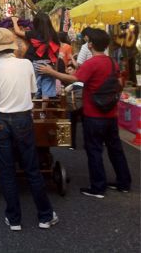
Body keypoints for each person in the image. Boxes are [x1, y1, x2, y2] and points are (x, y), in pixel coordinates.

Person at [0, 28, 58, 230]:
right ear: (12, 46)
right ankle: (45, 216)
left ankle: (14, 219)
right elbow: (32, 91)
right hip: (23, 118)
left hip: (0, 121)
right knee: (32, 168)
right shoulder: (26, 65)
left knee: (6, 170)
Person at [38, 29, 132, 198]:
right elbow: (119, 83)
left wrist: (51, 72)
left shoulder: (92, 63)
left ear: (90, 45)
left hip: (94, 114)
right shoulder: (112, 62)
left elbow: (74, 79)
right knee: (115, 149)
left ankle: (98, 187)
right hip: (111, 114)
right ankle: (124, 183)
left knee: (94, 150)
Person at [12, 13, 60, 98]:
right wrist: (55, 69)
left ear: (36, 23)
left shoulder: (33, 33)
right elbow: (56, 53)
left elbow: (17, 32)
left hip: (36, 64)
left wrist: (14, 21)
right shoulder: (54, 35)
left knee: (34, 87)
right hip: (49, 65)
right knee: (47, 88)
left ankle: (34, 108)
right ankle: (43, 110)